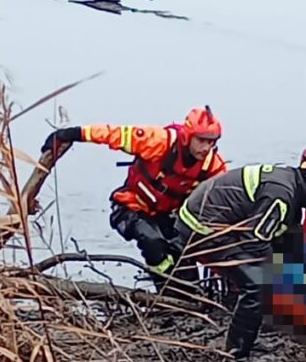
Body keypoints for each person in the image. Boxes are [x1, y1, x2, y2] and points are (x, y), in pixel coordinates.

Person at [171, 144, 306, 361]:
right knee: (258, 286)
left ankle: (252, 331)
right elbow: (255, 242)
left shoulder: (290, 185)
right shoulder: (282, 196)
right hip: (202, 229)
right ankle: (234, 354)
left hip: (216, 223)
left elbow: (291, 245)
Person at [41, 106, 226, 286]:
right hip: (131, 208)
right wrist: (72, 134)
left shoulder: (213, 166)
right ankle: (166, 292)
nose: (206, 147)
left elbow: (225, 200)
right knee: (153, 243)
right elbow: (115, 134)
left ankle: (189, 294)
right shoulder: (159, 141)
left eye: (212, 142)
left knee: (183, 255)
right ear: (187, 136)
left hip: (167, 216)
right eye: (201, 140)